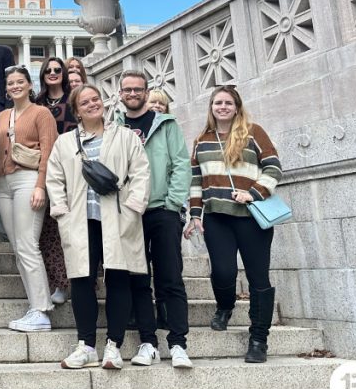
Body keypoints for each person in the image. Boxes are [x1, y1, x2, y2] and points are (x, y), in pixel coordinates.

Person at [47, 84, 152, 370]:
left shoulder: (125, 136)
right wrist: (61, 210)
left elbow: (140, 172)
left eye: (96, 99)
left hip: (118, 217)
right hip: (81, 220)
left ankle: (114, 345)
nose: (93, 104)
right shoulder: (65, 142)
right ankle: (86, 345)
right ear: (77, 111)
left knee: (118, 277)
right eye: (85, 102)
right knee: (82, 280)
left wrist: (133, 207)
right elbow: (54, 178)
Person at [185, 85, 282, 363]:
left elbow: (274, 167)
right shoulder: (202, 140)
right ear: (211, 107)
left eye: (228, 103)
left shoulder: (254, 132)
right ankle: (225, 306)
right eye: (218, 103)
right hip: (217, 218)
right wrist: (195, 214)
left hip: (252, 217)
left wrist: (253, 193)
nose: (223, 107)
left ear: (237, 107)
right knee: (223, 272)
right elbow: (196, 181)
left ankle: (259, 339)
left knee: (259, 278)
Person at [115, 71, 193, 368]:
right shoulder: (116, 127)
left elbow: (181, 164)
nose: (133, 94)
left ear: (147, 93)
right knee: (138, 278)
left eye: (138, 89)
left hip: (162, 209)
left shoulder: (166, 124)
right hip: (130, 212)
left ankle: (178, 343)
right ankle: (148, 342)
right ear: (120, 94)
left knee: (170, 277)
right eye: (127, 89)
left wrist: (173, 203)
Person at [0, 66, 58, 331]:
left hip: (28, 180)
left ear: (30, 85)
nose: (15, 86)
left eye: (20, 81)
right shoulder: (2, 116)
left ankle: (41, 309)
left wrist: (41, 186)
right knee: (18, 246)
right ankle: (34, 305)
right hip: (3, 183)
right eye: (11, 83)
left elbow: (49, 151)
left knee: (28, 244)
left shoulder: (41, 113)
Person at [36, 56, 74, 306]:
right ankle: (57, 282)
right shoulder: (37, 103)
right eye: (48, 70)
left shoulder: (73, 100)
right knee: (47, 232)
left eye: (57, 69)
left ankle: (77, 282)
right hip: (43, 171)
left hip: (70, 172)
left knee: (69, 230)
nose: (52, 73)